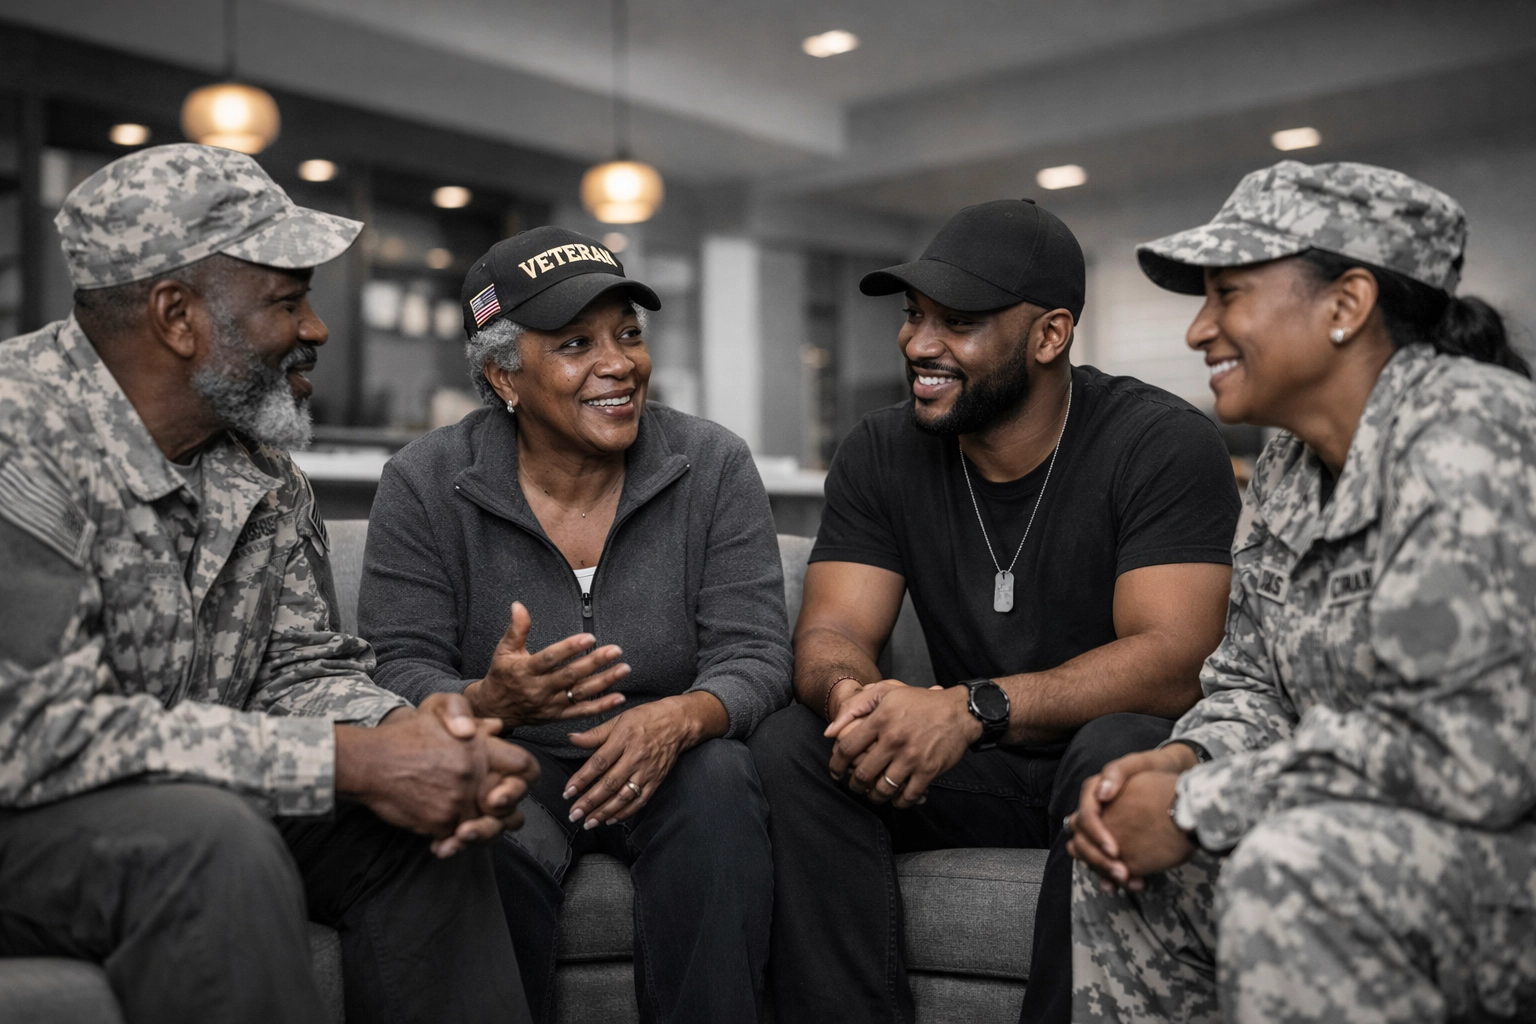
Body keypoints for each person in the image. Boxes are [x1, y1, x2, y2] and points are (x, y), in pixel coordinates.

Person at [0, 144, 539, 1024]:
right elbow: (33, 734)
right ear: (179, 317)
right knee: (208, 842)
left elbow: (292, 670)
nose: (316, 329)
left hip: (180, 798)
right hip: (27, 805)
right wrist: (347, 759)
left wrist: (412, 736)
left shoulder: (260, 469)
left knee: (421, 834)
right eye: (287, 301)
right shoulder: (18, 433)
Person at [747, 199, 1242, 1024]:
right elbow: (832, 632)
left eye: (959, 322)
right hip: (976, 772)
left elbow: (1175, 660)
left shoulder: (1159, 442)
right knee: (798, 741)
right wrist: (857, 705)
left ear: (1049, 335)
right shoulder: (882, 448)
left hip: (1091, 750)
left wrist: (973, 709)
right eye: (914, 317)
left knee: (1120, 747)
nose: (918, 344)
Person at [1067, 160, 1536, 1023]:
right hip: (1378, 832)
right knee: (1126, 866)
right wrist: (1180, 761)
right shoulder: (1286, 462)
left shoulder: (1475, 430)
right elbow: (1250, 683)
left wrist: (1198, 806)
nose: (1198, 331)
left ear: (1346, 305)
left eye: (1229, 295)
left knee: (1292, 864)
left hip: (1502, 848)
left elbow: (1460, 754)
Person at [359, 225, 792, 1023]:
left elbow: (756, 650)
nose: (619, 364)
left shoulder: (713, 462)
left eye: (629, 333)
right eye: (575, 343)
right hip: (518, 757)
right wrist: (489, 703)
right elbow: (395, 665)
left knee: (724, 781)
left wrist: (681, 716)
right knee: (469, 808)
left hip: (674, 761)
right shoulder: (424, 482)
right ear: (503, 376)